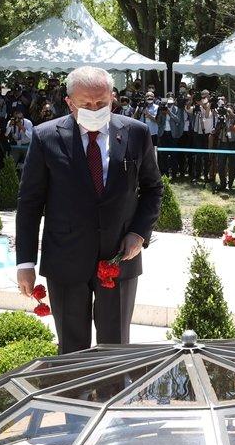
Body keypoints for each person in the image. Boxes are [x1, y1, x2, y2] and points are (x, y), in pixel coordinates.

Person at [16, 66, 163, 353]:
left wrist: (139, 232)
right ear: (69, 102)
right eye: (86, 104)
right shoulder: (46, 137)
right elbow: (30, 203)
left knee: (115, 348)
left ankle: (113, 394)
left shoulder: (136, 133)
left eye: (101, 103)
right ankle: (74, 396)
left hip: (119, 258)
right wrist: (25, 263)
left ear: (113, 98)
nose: (94, 109)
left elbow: (153, 188)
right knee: (72, 349)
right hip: (66, 258)